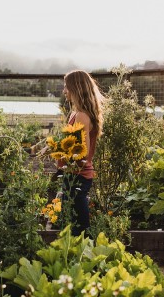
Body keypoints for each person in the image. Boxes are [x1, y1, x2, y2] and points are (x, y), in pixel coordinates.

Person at [56, 69, 104, 236]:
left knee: (79, 229)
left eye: (66, 87)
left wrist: (58, 151)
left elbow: (82, 154)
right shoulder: (76, 113)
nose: (64, 91)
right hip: (73, 175)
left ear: (76, 89)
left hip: (78, 176)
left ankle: (87, 258)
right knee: (73, 225)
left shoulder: (82, 116)